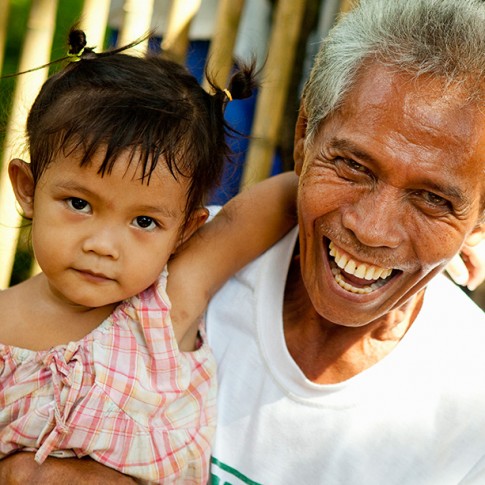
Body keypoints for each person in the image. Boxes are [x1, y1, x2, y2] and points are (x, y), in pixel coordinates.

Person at [1, 1, 485, 484]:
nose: (371, 228)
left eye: (433, 197)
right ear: (303, 138)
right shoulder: (162, 280)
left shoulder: (469, 408)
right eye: (354, 165)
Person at [0, 29, 298, 484]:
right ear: (27, 189)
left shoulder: (162, 309)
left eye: (144, 222)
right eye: (79, 204)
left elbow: (260, 210)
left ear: (184, 232)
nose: (103, 244)